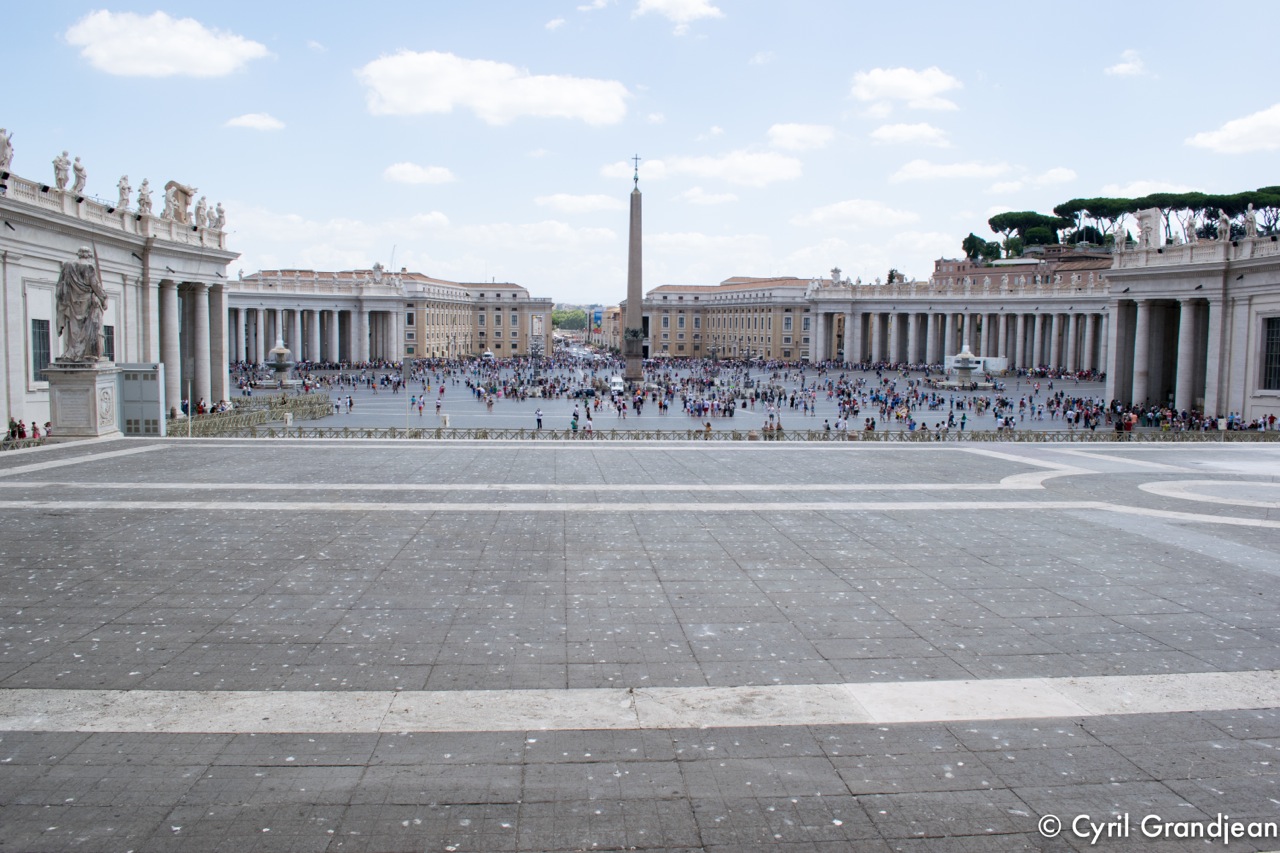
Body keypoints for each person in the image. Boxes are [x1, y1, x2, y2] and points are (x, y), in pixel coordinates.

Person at [55, 247, 107, 361]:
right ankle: (82, 352)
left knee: (73, 326)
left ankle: (72, 351)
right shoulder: (89, 266)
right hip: (86, 301)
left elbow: (60, 284)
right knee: (86, 326)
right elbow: (95, 285)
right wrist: (103, 298)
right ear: (88, 255)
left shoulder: (67, 265)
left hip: (71, 301)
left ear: (78, 254)